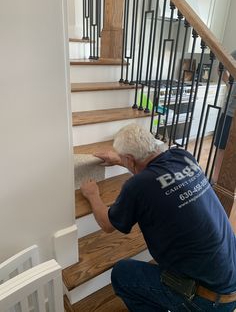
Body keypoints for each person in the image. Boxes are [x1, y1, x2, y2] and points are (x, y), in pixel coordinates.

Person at [80, 123, 236, 312]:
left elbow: (107, 224)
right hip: (229, 277)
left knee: (122, 273)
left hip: (209, 301)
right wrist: (121, 160)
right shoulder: (182, 156)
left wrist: (92, 195)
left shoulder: (136, 186)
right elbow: (153, 173)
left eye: (124, 159)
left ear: (130, 159)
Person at [213, 50, 236, 184]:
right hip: (230, 111)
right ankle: (216, 180)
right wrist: (229, 84)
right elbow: (221, 66)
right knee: (221, 146)